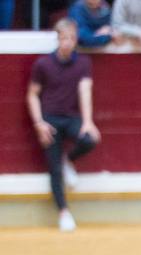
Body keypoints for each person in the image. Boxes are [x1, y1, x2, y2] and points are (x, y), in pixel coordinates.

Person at [27, 19, 99, 234]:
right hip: (49, 120)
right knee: (53, 169)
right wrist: (39, 123)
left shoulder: (83, 63)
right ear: (57, 39)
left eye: (71, 38)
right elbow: (32, 95)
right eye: (63, 38)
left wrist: (87, 121)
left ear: (76, 40)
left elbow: (85, 92)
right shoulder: (43, 64)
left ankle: (69, 160)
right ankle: (64, 213)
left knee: (89, 139)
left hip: (70, 118)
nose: (67, 43)